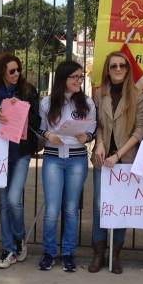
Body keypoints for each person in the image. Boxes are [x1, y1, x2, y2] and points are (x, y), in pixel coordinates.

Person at [91, 51, 143, 274]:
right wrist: (101, 143)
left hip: (125, 159)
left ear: (127, 69)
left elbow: (140, 130)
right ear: (107, 69)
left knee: (120, 208)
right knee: (99, 207)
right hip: (103, 158)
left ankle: (115, 253)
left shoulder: (138, 95)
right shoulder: (98, 94)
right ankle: (99, 252)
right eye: (113, 66)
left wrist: (118, 154)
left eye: (122, 66)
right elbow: (96, 124)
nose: (117, 70)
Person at [37, 61, 96, 273]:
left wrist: (86, 136)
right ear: (63, 79)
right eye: (75, 77)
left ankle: (69, 252)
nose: (79, 81)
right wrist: (48, 135)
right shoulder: (47, 102)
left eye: (81, 77)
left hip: (77, 158)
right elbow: (40, 128)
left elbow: (93, 130)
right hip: (53, 157)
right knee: (52, 209)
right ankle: (49, 252)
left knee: (71, 209)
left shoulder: (87, 103)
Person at [0, 52, 40, 269]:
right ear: (1, 72)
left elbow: (38, 121)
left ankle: (19, 238)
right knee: (3, 203)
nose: (17, 74)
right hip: (0, 153)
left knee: (13, 200)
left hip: (21, 152)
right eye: (12, 71)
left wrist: (23, 110)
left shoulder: (28, 91)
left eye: (18, 70)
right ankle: (9, 249)